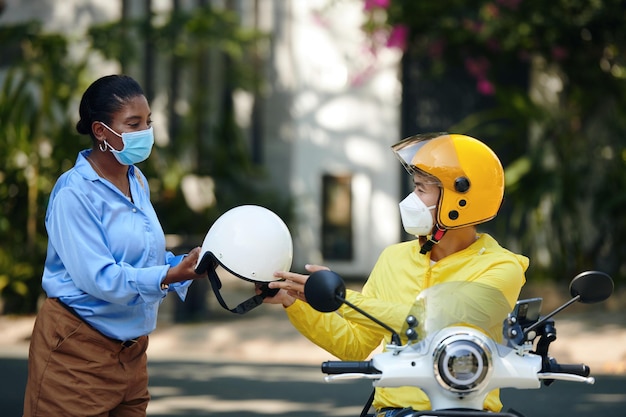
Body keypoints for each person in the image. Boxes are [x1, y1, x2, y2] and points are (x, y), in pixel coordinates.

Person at [263, 133, 529, 416]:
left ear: (462, 198)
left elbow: (439, 320)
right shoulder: (393, 259)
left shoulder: (502, 267)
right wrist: (294, 302)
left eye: (422, 189)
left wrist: (344, 300)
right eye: (415, 187)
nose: (411, 200)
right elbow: (353, 346)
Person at [23, 74, 206, 417]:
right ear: (101, 131)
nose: (145, 132)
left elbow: (143, 257)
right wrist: (167, 275)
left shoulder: (135, 178)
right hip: (76, 350)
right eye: (133, 123)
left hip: (132, 355)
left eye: (148, 122)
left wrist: (186, 264)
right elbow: (99, 277)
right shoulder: (74, 193)